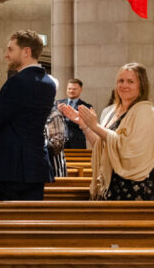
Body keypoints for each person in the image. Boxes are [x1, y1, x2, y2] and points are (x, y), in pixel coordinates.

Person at [0, 30, 57, 200]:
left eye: (10, 49)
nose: (6, 55)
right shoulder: (49, 83)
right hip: (35, 165)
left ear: (26, 51)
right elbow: (20, 115)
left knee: (4, 223)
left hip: (10, 167)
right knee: (31, 221)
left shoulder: (17, 81)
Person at [60, 63, 154, 200]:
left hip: (133, 185)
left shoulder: (146, 111)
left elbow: (130, 150)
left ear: (141, 86)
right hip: (110, 182)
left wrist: (95, 126)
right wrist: (84, 125)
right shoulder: (113, 111)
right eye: (120, 81)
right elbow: (100, 146)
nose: (124, 85)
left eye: (130, 81)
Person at [56, 78, 91, 149]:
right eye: (69, 89)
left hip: (77, 143)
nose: (71, 91)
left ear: (80, 90)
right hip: (59, 143)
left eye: (74, 89)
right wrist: (58, 112)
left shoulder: (86, 106)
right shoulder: (57, 104)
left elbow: (87, 124)